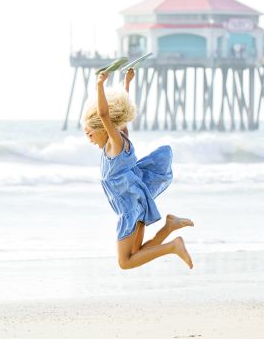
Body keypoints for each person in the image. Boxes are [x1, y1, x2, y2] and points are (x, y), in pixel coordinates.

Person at [82, 68, 194, 270]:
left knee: (125, 261)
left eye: (89, 134)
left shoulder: (114, 144)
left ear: (101, 128)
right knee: (136, 252)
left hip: (130, 208)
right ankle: (169, 227)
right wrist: (127, 84)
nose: (89, 139)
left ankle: (173, 246)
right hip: (136, 203)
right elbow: (119, 116)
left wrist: (100, 85)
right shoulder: (123, 136)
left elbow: (105, 113)